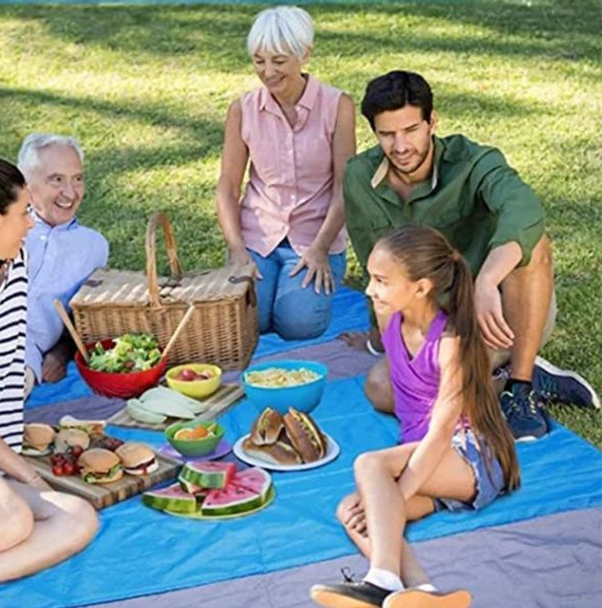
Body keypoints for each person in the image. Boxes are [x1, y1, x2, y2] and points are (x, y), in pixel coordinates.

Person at [342, 70, 598, 441]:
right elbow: (379, 272)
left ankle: (521, 386)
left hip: (500, 316)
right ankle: (507, 385)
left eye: (411, 129)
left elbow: (525, 210)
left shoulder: (474, 162)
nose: (400, 146)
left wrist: (486, 281)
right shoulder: (359, 178)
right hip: (431, 327)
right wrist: (393, 339)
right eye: (387, 134)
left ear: (432, 122)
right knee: (381, 388)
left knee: (533, 243)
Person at [311, 225, 520, 608]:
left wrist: (398, 492)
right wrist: (388, 501)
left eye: (380, 281)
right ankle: (425, 593)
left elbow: (442, 432)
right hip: (426, 459)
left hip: (470, 457)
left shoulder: (450, 341)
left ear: (421, 287)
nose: (370, 290)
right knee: (351, 510)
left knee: (369, 465)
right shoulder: (392, 320)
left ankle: (379, 582)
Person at [216, 5, 356, 340]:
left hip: (314, 238)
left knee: (298, 324)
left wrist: (321, 248)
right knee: (248, 323)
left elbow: (344, 187)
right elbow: (227, 187)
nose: (267, 71)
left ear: (304, 54)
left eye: (278, 61)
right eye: (259, 60)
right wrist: (236, 249)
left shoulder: (338, 106)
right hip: (256, 239)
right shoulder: (242, 110)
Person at [0, 157, 98, 583]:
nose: (31, 225)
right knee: (15, 522)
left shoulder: (16, 269)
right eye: (22, 214)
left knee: (76, 516)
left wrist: (31, 477)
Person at [17, 134, 109, 394]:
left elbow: (85, 313)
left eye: (77, 179)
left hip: (23, 355)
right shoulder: (4, 228)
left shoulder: (93, 246)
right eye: (57, 180)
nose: (70, 193)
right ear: (26, 185)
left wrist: (62, 352)